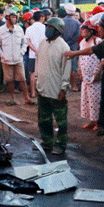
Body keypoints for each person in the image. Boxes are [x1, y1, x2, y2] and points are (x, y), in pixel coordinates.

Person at [35, 16, 70, 155]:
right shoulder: (42, 43)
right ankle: (47, 142)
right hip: (42, 88)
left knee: (61, 121)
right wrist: (37, 81)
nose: (47, 30)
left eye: (50, 28)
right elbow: (39, 63)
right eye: (47, 27)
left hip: (56, 90)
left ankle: (61, 144)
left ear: (57, 30)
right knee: (44, 118)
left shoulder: (63, 47)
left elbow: (66, 70)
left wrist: (63, 88)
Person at [0, 8, 28, 106]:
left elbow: (24, 42)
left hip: (18, 59)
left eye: (16, 17)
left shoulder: (19, 29)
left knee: (22, 79)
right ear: (7, 17)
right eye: (13, 17)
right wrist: (2, 55)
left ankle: (27, 98)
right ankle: (12, 98)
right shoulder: (0, 31)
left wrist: (21, 52)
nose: (15, 19)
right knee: (9, 81)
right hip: (6, 60)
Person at [76, 20, 102, 130]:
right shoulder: (82, 42)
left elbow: (103, 59)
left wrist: (99, 72)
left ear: (91, 31)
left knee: (96, 98)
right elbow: (80, 56)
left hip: (95, 74)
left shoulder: (98, 41)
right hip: (85, 75)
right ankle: (92, 121)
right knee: (87, 99)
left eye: (85, 31)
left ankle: (98, 122)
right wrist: (79, 70)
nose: (82, 33)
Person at [25, 9, 46, 103]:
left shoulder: (29, 29)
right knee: (43, 73)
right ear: (42, 18)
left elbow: (28, 42)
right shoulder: (45, 28)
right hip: (44, 53)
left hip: (33, 54)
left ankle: (33, 92)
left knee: (32, 74)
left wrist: (35, 50)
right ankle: (43, 92)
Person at [61, 4, 81, 92]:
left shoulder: (61, 21)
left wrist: (64, 43)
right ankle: (74, 86)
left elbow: (59, 34)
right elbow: (77, 36)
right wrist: (70, 42)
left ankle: (63, 86)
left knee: (62, 66)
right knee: (73, 67)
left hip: (62, 46)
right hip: (73, 47)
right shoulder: (77, 23)